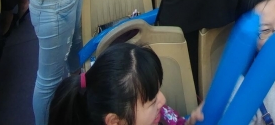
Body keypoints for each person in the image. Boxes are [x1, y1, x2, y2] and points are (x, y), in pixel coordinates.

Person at [48, 43, 201, 125]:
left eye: (157, 90)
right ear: (114, 121)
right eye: (152, 100)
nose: (163, 100)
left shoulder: (158, 115)